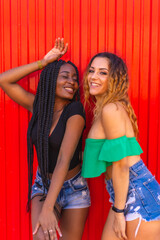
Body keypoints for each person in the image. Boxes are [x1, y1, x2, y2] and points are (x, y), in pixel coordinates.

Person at [0, 38, 90, 240]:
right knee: (41, 237)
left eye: (75, 78)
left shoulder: (75, 111)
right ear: (50, 79)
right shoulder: (39, 107)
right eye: (65, 76)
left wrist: (49, 207)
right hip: (43, 184)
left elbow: (63, 160)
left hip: (74, 187)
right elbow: (4, 80)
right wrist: (44, 62)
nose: (72, 82)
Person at [81, 52, 160, 240]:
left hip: (136, 193)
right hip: (123, 193)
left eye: (103, 73)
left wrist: (118, 211)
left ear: (115, 78)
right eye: (92, 71)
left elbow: (121, 165)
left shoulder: (111, 109)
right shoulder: (104, 109)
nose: (93, 76)